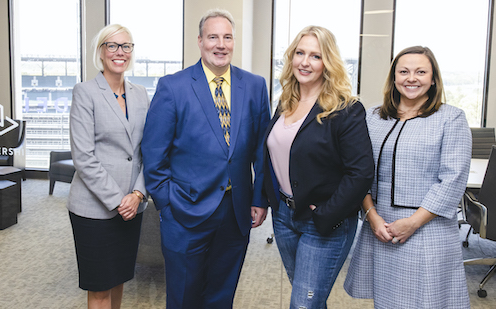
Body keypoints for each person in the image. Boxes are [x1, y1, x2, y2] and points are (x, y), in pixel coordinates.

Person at [141, 8, 271, 309]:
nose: (220, 44)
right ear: (200, 41)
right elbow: (153, 153)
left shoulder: (253, 86)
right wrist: (166, 203)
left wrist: (258, 198)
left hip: (236, 212)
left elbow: (260, 150)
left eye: (227, 37)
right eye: (213, 37)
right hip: (184, 211)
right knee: (184, 295)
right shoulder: (173, 87)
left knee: (221, 295)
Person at [344, 46, 471, 308]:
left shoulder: (451, 119)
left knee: (427, 301)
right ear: (393, 78)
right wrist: (372, 217)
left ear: (433, 78)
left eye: (420, 72)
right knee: (387, 301)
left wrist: (413, 223)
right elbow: (359, 172)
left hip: (426, 228)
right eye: (403, 71)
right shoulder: (372, 117)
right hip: (379, 226)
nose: (411, 78)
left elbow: (453, 179)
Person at [263, 25, 374, 309]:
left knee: (303, 303)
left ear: (328, 63)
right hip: (285, 217)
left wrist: (325, 215)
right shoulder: (286, 103)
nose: (304, 62)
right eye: (299, 53)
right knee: (310, 300)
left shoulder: (345, 109)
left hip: (324, 222)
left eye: (315, 55)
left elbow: (361, 172)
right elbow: (274, 156)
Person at [67, 24, 149, 309]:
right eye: (112, 46)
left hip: (132, 206)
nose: (120, 52)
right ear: (101, 52)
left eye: (126, 46)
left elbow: (147, 152)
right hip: (94, 209)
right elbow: (84, 158)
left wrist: (137, 195)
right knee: (100, 287)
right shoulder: (85, 92)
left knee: (119, 278)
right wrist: (118, 201)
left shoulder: (140, 94)